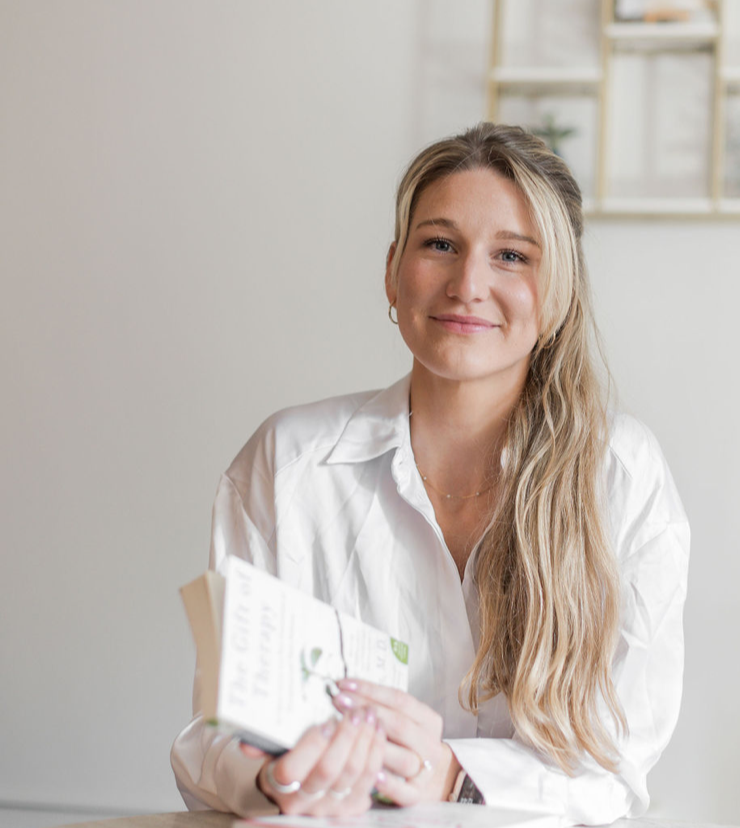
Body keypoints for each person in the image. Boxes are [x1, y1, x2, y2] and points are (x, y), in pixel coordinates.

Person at [170, 122, 690, 825]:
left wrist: (448, 773)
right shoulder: (289, 465)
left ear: (559, 293)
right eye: (440, 244)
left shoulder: (619, 475)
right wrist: (273, 781)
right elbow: (216, 734)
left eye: (511, 256)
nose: (468, 284)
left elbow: (618, 763)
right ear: (393, 270)